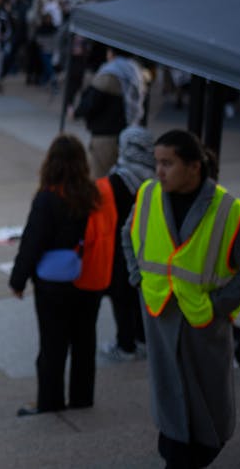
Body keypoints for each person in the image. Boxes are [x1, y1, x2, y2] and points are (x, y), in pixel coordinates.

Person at [124, 129, 240, 468]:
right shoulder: (148, 194)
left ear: (194, 167)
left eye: (167, 163)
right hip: (161, 315)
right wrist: (138, 278)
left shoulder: (227, 210)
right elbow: (127, 235)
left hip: (203, 323)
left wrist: (220, 305)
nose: (158, 171)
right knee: (169, 402)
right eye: (156, 163)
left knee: (207, 404)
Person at [8, 135, 106, 417]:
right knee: (85, 342)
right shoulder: (94, 194)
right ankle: (82, 397)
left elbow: (32, 242)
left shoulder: (48, 197)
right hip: (88, 278)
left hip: (53, 284)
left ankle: (50, 401)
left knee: (52, 345)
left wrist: (18, 280)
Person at [100, 126, 153, 363]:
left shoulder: (119, 179)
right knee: (140, 295)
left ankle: (125, 345)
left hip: (121, 247)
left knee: (121, 295)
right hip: (150, 245)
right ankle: (143, 339)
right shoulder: (156, 176)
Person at [72, 48, 144, 178]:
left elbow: (91, 102)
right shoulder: (134, 71)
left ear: (111, 53)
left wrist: (76, 113)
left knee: (100, 179)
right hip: (128, 132)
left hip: (105, 135)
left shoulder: (111, 73)